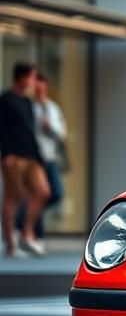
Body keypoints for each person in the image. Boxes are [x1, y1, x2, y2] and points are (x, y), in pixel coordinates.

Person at [0, 61, 50, 258]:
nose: (32, 81)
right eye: (31, 76)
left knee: (43, 192)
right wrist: (5, 154)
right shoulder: (6, 99)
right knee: (13, 197)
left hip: (31, 156)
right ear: (21, 77)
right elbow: (1, 129)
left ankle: (26, 232)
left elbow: (31, 131)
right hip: (13, 156)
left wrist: (39, 156)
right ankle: (11, 245)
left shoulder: (28, 102)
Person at [27, 72, 66, 239]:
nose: (40, 89)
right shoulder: (28, 106)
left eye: (42, 86)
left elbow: (61, 134)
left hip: (49, 159)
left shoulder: (52, 108)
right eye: (37, 86)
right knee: (40, 194)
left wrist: (49, 127)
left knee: (55, 193)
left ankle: (27, 217)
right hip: (34, 159)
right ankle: (37, 235)